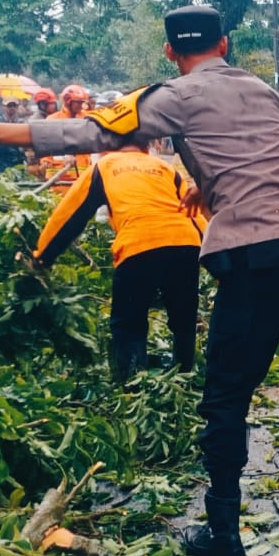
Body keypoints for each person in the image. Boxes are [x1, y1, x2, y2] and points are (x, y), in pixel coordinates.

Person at [0, 4, 279, 556]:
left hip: (253, 255)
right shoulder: (261, 90)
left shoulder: (173, 95)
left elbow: (92, 130)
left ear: (171, 52)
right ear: (224, 44)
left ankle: (223, 532)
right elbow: (273, 160)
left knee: (226, 396)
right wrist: (207, 186)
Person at [31, 143, 204, 382]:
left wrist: (43, 256)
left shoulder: (104, 166)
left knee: (129, 321)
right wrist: (218, 259)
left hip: (137, 244)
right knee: (184, 315)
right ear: (146, 147)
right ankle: (184, 376)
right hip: (185, 242)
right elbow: (194, 213)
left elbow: (70, 215)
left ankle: (134, 384)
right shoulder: (164, 167)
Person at [43, 85, 96, 187]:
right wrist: (45, 160)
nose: (81, 105)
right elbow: (46, 143)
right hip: (59, 176)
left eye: (82, 102)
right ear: (68, 101)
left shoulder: (87, 118)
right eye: (78, 102)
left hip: (82, 176)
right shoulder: (53, 120)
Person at [0, 96, 30, 172]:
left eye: (14, 106)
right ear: (3, 107)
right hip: (0, 159)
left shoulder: (22, 123)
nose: (12, 108)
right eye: (9, 106)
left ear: (17, 107)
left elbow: (26, 142)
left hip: (18, 159)